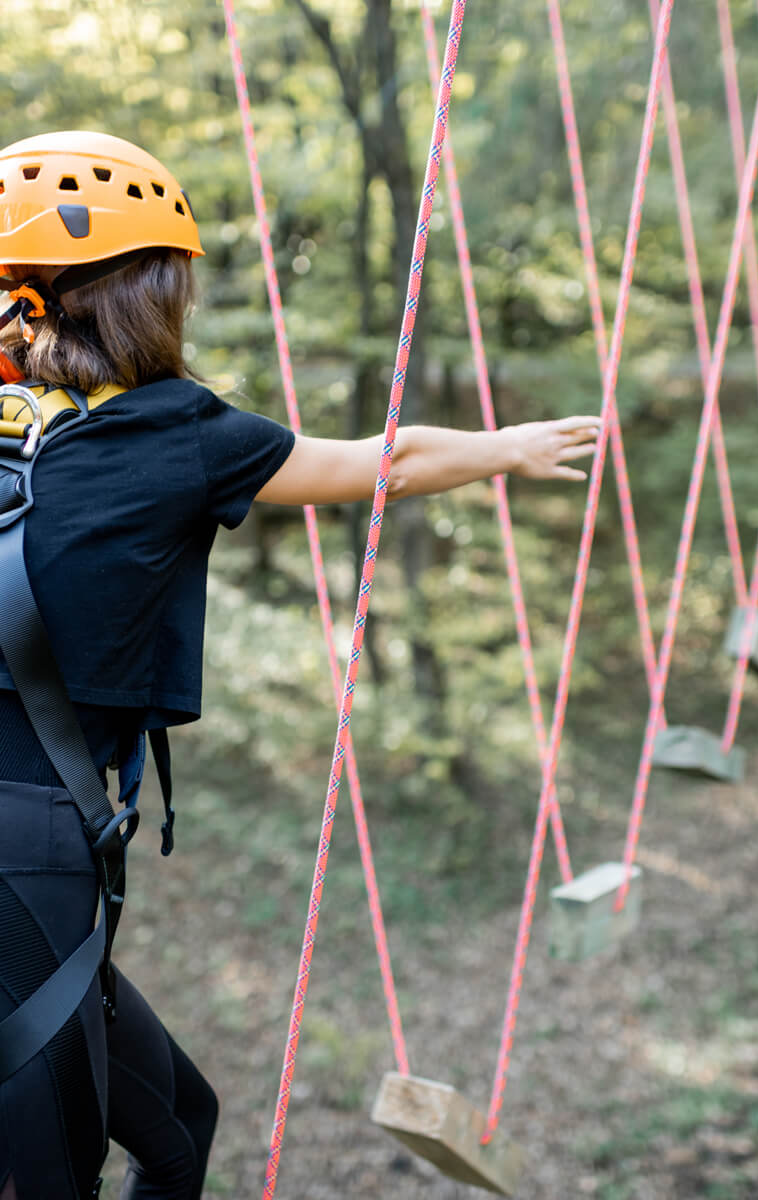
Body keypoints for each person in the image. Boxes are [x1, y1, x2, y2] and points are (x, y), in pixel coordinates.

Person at [0, 130, 600, 1200]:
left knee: (180, 1124)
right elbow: (387, 463)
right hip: (27, 844)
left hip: (35, 840)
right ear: (143, 298)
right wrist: (510, 448)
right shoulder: (175, 432)